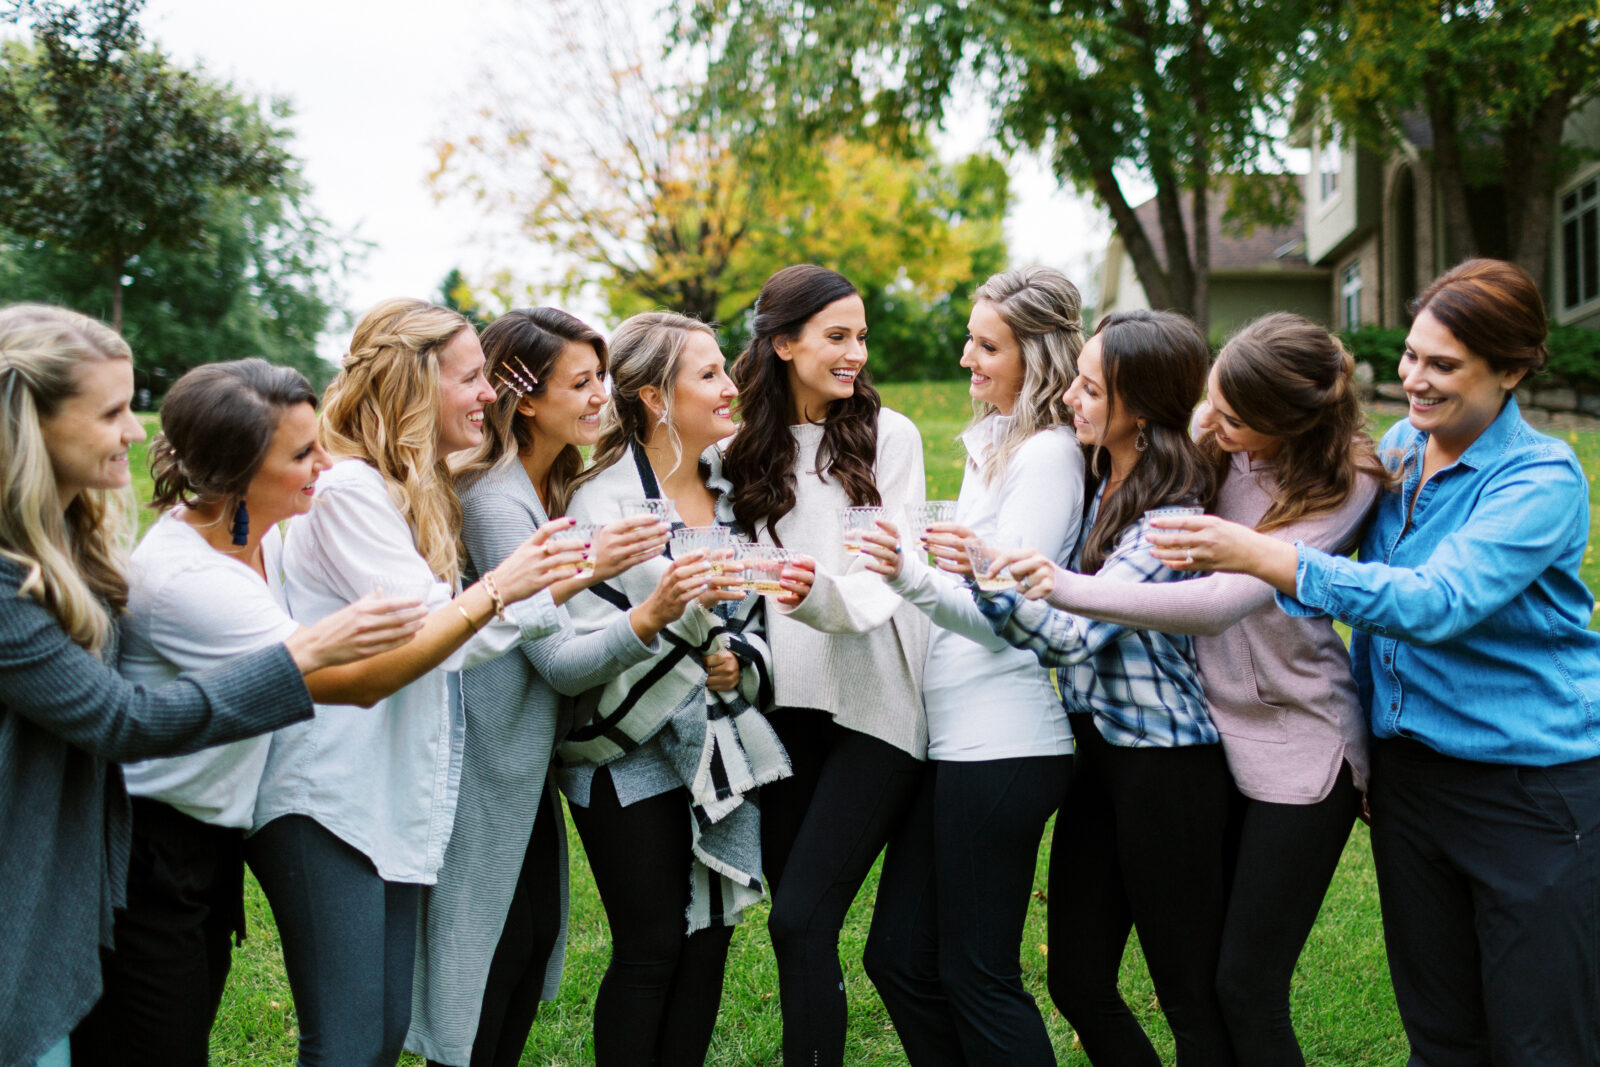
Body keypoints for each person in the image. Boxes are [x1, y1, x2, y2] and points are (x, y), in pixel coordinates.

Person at [1150, 260, 1600, 1065]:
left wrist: (1262, 557)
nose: (1415, 380)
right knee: (1440, 1033)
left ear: (1512, 368)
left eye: (1443, 365)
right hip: (1411, 784)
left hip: (1529, 792)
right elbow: (1287, 448)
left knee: (1540, 1039)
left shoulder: (1541, 478)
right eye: (1411, 356)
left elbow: (1435, 601)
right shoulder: (1396, 450)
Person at [0, 307, 421, 1067]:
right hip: (80, 849)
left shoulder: (69, 538)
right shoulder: (15, 578)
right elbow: (119, 720)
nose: (137, 431)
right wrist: (305, 654)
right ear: (30, 422)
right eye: (112, 411)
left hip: (141, 850)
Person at [999, 312, 1387, 1065]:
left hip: (1300, 739)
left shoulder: (1348, 476)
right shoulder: (1210, 435)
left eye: (1237, 417)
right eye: (1214, 402)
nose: (1213, 422)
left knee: (1241, 988)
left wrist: (1069, 589)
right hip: (1208, 732)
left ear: (1291, 420)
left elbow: (1218, 605)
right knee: (1191, 983)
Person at [248, 298, 589, 1067]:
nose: (490, 395)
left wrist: (540, 584)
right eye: (471, 378)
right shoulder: (349, 492)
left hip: (386, 797)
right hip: (324, 795)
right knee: (346, 1041)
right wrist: (510, 586)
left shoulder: (404, 486)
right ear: (411, 386)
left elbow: (457, 621)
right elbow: (429, 633)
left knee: (376, 1033)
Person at [409, 308, 706, 1067]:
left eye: (601, 378)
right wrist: (651, 614)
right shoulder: (496, 498)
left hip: (527, 761)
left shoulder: (558, 480)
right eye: (581, 382)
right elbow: (559, 660)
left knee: (533, 940)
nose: (601, 396)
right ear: (528, 398)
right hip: (485, 762)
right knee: (492, 958)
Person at [974, 309, 1232, 1066]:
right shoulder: (1097, 478)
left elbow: (1077, 632)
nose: (1070, 399)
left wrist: (984, 576)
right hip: (1097, 754)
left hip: (1168, 767)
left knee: (1189, 994)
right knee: (1078, 979)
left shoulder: (1171, 518)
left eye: (1090, 388)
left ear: (1143, 408)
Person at [853, 266, 1084, 1065]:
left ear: (1040, 355)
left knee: (979, 973)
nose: (966, 358)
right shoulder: (994, 447)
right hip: (950, 742)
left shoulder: (1049, 457)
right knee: (897, 957)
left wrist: (905, 570)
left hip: (1005, 744)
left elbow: (1003, 620)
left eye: (987, 345)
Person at [556, 311, 784, 1066]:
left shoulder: (733, 486)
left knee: (711, 935)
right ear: (655, 396)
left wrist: (736, 657)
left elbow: (759, 613)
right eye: (711, 373)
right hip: (623, 739)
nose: (731, 385)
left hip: (718, 734)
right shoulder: (600, 499)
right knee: (653, 941)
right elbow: (587, 625)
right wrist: (704, 643)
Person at [720, 263, 930, 1067]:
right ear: (782, 344)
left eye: (862, 336)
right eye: (836, 336)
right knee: (799, 931)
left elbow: (883, 585)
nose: (856, 353)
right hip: (778, 712)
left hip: (874, 706)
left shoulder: (891, 436)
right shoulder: (737, 443)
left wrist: (808, 594)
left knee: (801, 917)